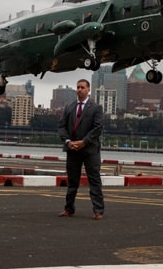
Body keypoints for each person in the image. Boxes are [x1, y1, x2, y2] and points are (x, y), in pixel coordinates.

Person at [57, 78, 105, 220]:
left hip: (90, 150)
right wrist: (68, 141)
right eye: (78, 87)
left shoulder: (96, 108)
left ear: (88, 90)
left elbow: (98, 128)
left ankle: (98, 210)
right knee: (72, 181)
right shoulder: (69, 107)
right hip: (72, 149)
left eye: (82, 87)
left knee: (94, 180)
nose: (79, 90)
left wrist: (84, 142)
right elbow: (61, 126)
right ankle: (69, 209)